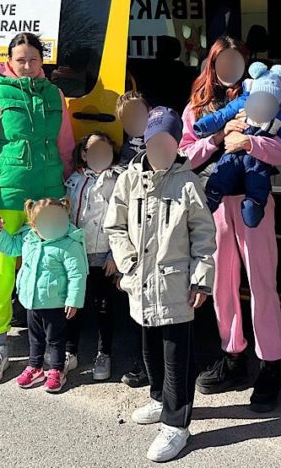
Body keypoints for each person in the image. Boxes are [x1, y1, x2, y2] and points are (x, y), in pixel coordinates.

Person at [180, 37, 281, 413]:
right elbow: (185, 153)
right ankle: (233, 355)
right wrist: (215, 140)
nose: (229, 67)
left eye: (236, 60)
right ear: (212, 64)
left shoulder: (265, 97)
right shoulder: (198, 106)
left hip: (254, 202)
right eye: (222, 61)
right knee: (221, 284)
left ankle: (271, 364)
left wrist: (249, 144)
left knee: (262, 284)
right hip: (212, 204)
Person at [104, 107, 216, 463]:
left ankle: (176, 424)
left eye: (169, 142)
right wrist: (128, 263)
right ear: (146, 142)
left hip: (176, 286)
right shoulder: (129, 179)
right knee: (150, 348)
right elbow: (115, 227)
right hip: (141, 283)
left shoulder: (187, 182)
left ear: (177, 144)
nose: (161, 149)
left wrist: (201, 279)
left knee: (176, 356)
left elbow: (203, 235)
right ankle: (157, 397)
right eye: (155, 142)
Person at [0, 32, 75, 385]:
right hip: (8, 197)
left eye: (34, 59)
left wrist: (69, 189)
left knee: (56, 272)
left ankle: (59, 350)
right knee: (2, 275)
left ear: (42, 61)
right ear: (9, 62)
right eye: (21, 60)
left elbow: (65, 146)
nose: (28, 65)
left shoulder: (55, 95)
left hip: (49, 197)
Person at [192, 61, 281, 226]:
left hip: (256, 162)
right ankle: (211, 196)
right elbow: (219, 117)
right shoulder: (200, 105)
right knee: (222, 174)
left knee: (258, 182)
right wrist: (210, 130)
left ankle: (254, 205)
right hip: (222, 201)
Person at [0, 197, 87, 393]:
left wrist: (73, 300)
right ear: (33, 222)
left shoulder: (69, 244)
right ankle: (35, 367)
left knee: (56, 339)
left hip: (55, 303)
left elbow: (78, 274)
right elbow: (10, 247)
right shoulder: (29, 238)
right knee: (35, 338)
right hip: (31, 301)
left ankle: (57, 370)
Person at [64, 131, 122, 381]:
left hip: (102, 256)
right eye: (94, 151)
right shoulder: (74, 180)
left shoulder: (117, 180)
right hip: (77, 254)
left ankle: (104, 353)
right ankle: (69, 351)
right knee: (72, 304)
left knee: (103, 306)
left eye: (105, 151)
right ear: (84, 153)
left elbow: (123, 219)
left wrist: (114, 255)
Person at [115, 89, 151, 387]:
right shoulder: (126, 151)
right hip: (135, 233)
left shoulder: (160, 144)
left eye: (139, 113)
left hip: (157, 235)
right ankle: (143, 361)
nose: (134, 121)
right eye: (128, 118)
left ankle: (153, 363)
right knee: (138, 302)